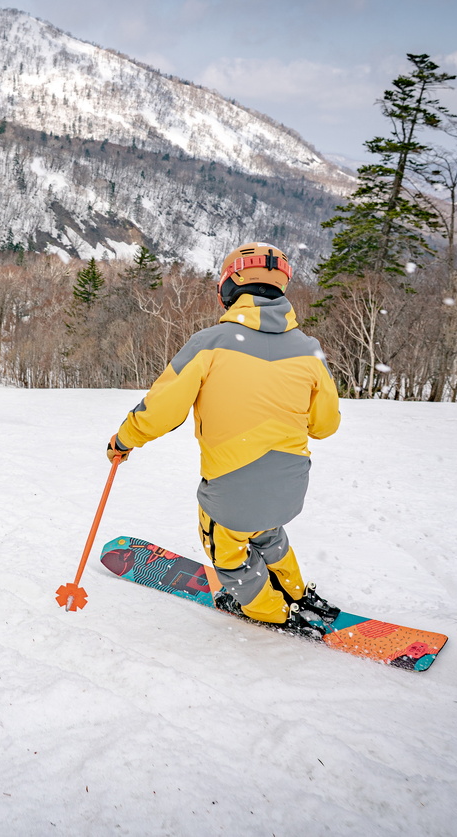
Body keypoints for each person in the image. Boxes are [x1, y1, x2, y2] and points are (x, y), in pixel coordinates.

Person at [105, 242, 341, 638]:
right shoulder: (309, 351)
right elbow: (325, 425)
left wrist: (124, 440)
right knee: (267, 530)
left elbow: (162, 410)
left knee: (226, 545)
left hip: (231, 487)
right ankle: (293, 590)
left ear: (230, 287)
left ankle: (264, 607)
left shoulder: (210, 343)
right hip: (290, 485)